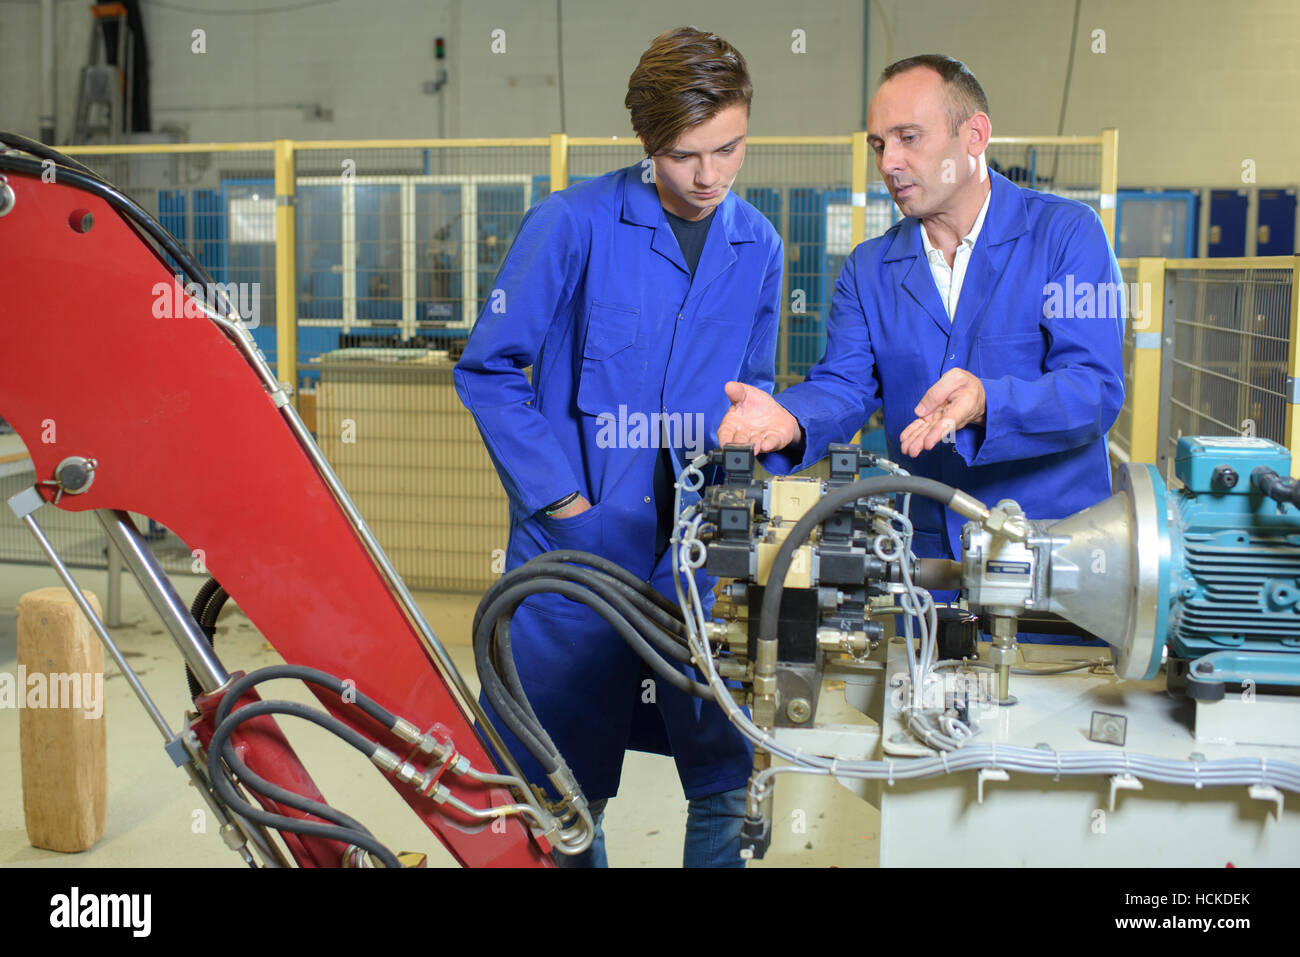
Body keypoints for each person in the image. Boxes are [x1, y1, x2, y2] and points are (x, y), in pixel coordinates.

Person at [453, 27, 783, 867]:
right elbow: (490, 369)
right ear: (646, 143)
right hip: (578, 556)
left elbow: (756, 396)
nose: (710, 177)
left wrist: (749, 499)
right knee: (563, 787)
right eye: (683, 155)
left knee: (726, 778)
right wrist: (562, 501)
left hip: (699, 562)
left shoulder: (760, 247)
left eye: (729, 148)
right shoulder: (571, 224)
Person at [719, 54, 1124, 576]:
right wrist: (789, 417)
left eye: (909, 138)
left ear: (974, 136)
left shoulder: (1066, 236)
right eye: (879, 145)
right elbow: (844, 386)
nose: (889, 162)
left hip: (1052, 555)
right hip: (923, 564)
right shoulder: (869, 269)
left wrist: (988, 401)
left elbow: (1094, 391)